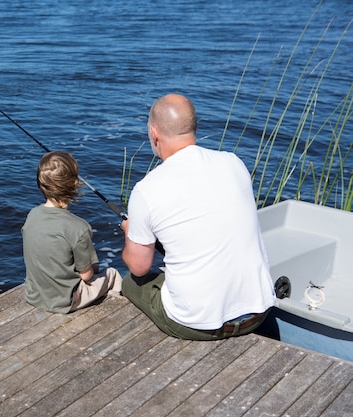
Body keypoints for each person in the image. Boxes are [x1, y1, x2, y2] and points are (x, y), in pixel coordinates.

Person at [120, 94, 275, 340]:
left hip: (199, 325)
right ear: (195, 127)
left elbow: (139, 268)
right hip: (258, 313)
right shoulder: (234, 162)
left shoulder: (146, 190)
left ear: (154, 133)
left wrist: (130, 233)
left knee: (131, 282)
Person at [22, 151, 122, 313]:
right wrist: (93, 267)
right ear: (75, 184)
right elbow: (86, 276)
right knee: (112, 274)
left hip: (34, 294)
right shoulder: (79, 227)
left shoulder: (32, 215)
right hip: (65, 300)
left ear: (41, 184)